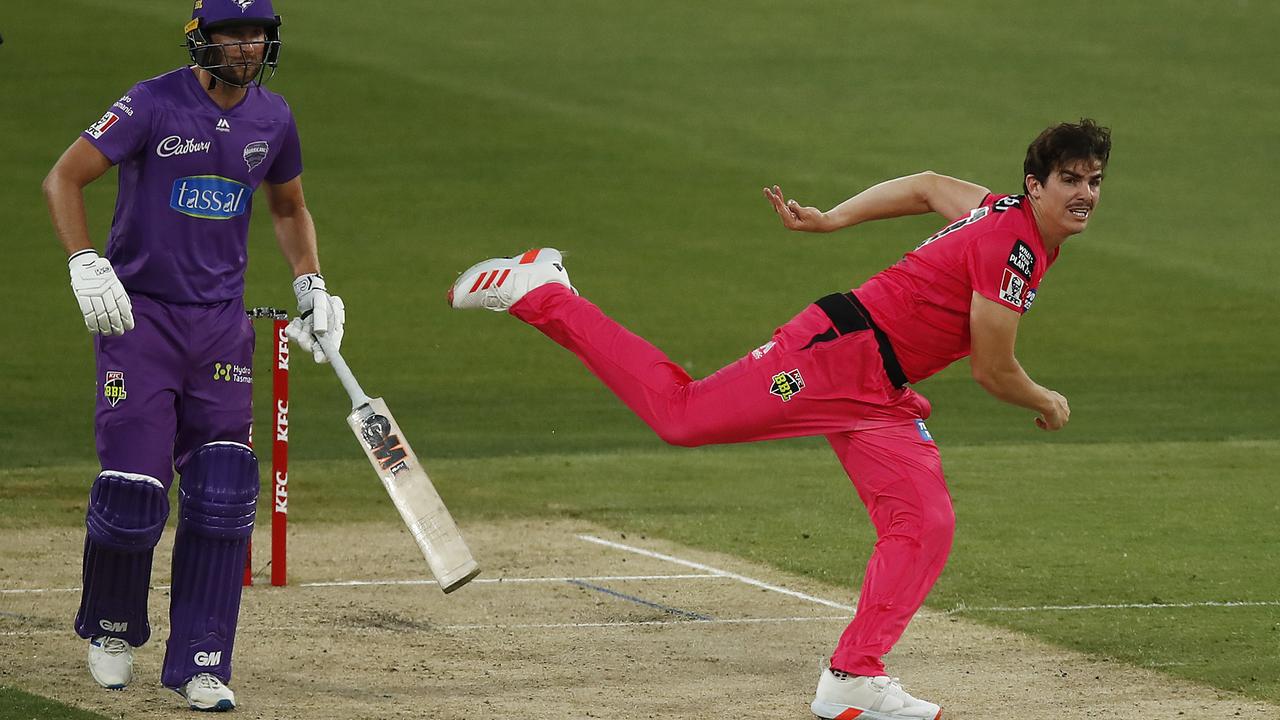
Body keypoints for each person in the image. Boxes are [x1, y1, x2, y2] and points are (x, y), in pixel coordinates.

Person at [446, 119, 1110, 719]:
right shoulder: (1012, 249)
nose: (1084, 194)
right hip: (823, 364)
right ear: (1035, 186)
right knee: (682, 417)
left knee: (924, 521)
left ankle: (852, 677)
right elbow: (993, 370)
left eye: (1094, 181)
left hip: (878, 391)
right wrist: (1043, 399)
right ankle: (545, 292)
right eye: (1069, 180)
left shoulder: (1005, 213)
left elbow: (928, 187)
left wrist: (833, 221)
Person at [41, 0, 343, 711]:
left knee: (223, 493)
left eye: (257, 36)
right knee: (132, 491)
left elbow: (288, 206)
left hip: (219, 327)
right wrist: (85, 261)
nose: (246, 48)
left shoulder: (274, 118)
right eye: (232, 35)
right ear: (201, 41)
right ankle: (113, 629)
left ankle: (203, 660)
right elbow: (64, 176)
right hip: (139, 318)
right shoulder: (150, 103)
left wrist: (310, 282)